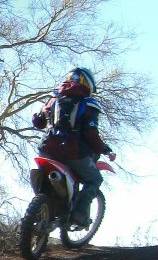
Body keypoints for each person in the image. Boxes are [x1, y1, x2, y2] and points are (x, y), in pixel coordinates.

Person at [31, 67, 116, 228]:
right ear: (88, 84)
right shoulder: (88, 103)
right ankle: (78, 214)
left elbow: (38, 123)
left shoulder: (53, 98)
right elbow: (90, 133)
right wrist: (104, 149)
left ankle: (42, 211)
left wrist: (37, 115)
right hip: (72, 154)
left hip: (45, 150)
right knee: (95, 179)